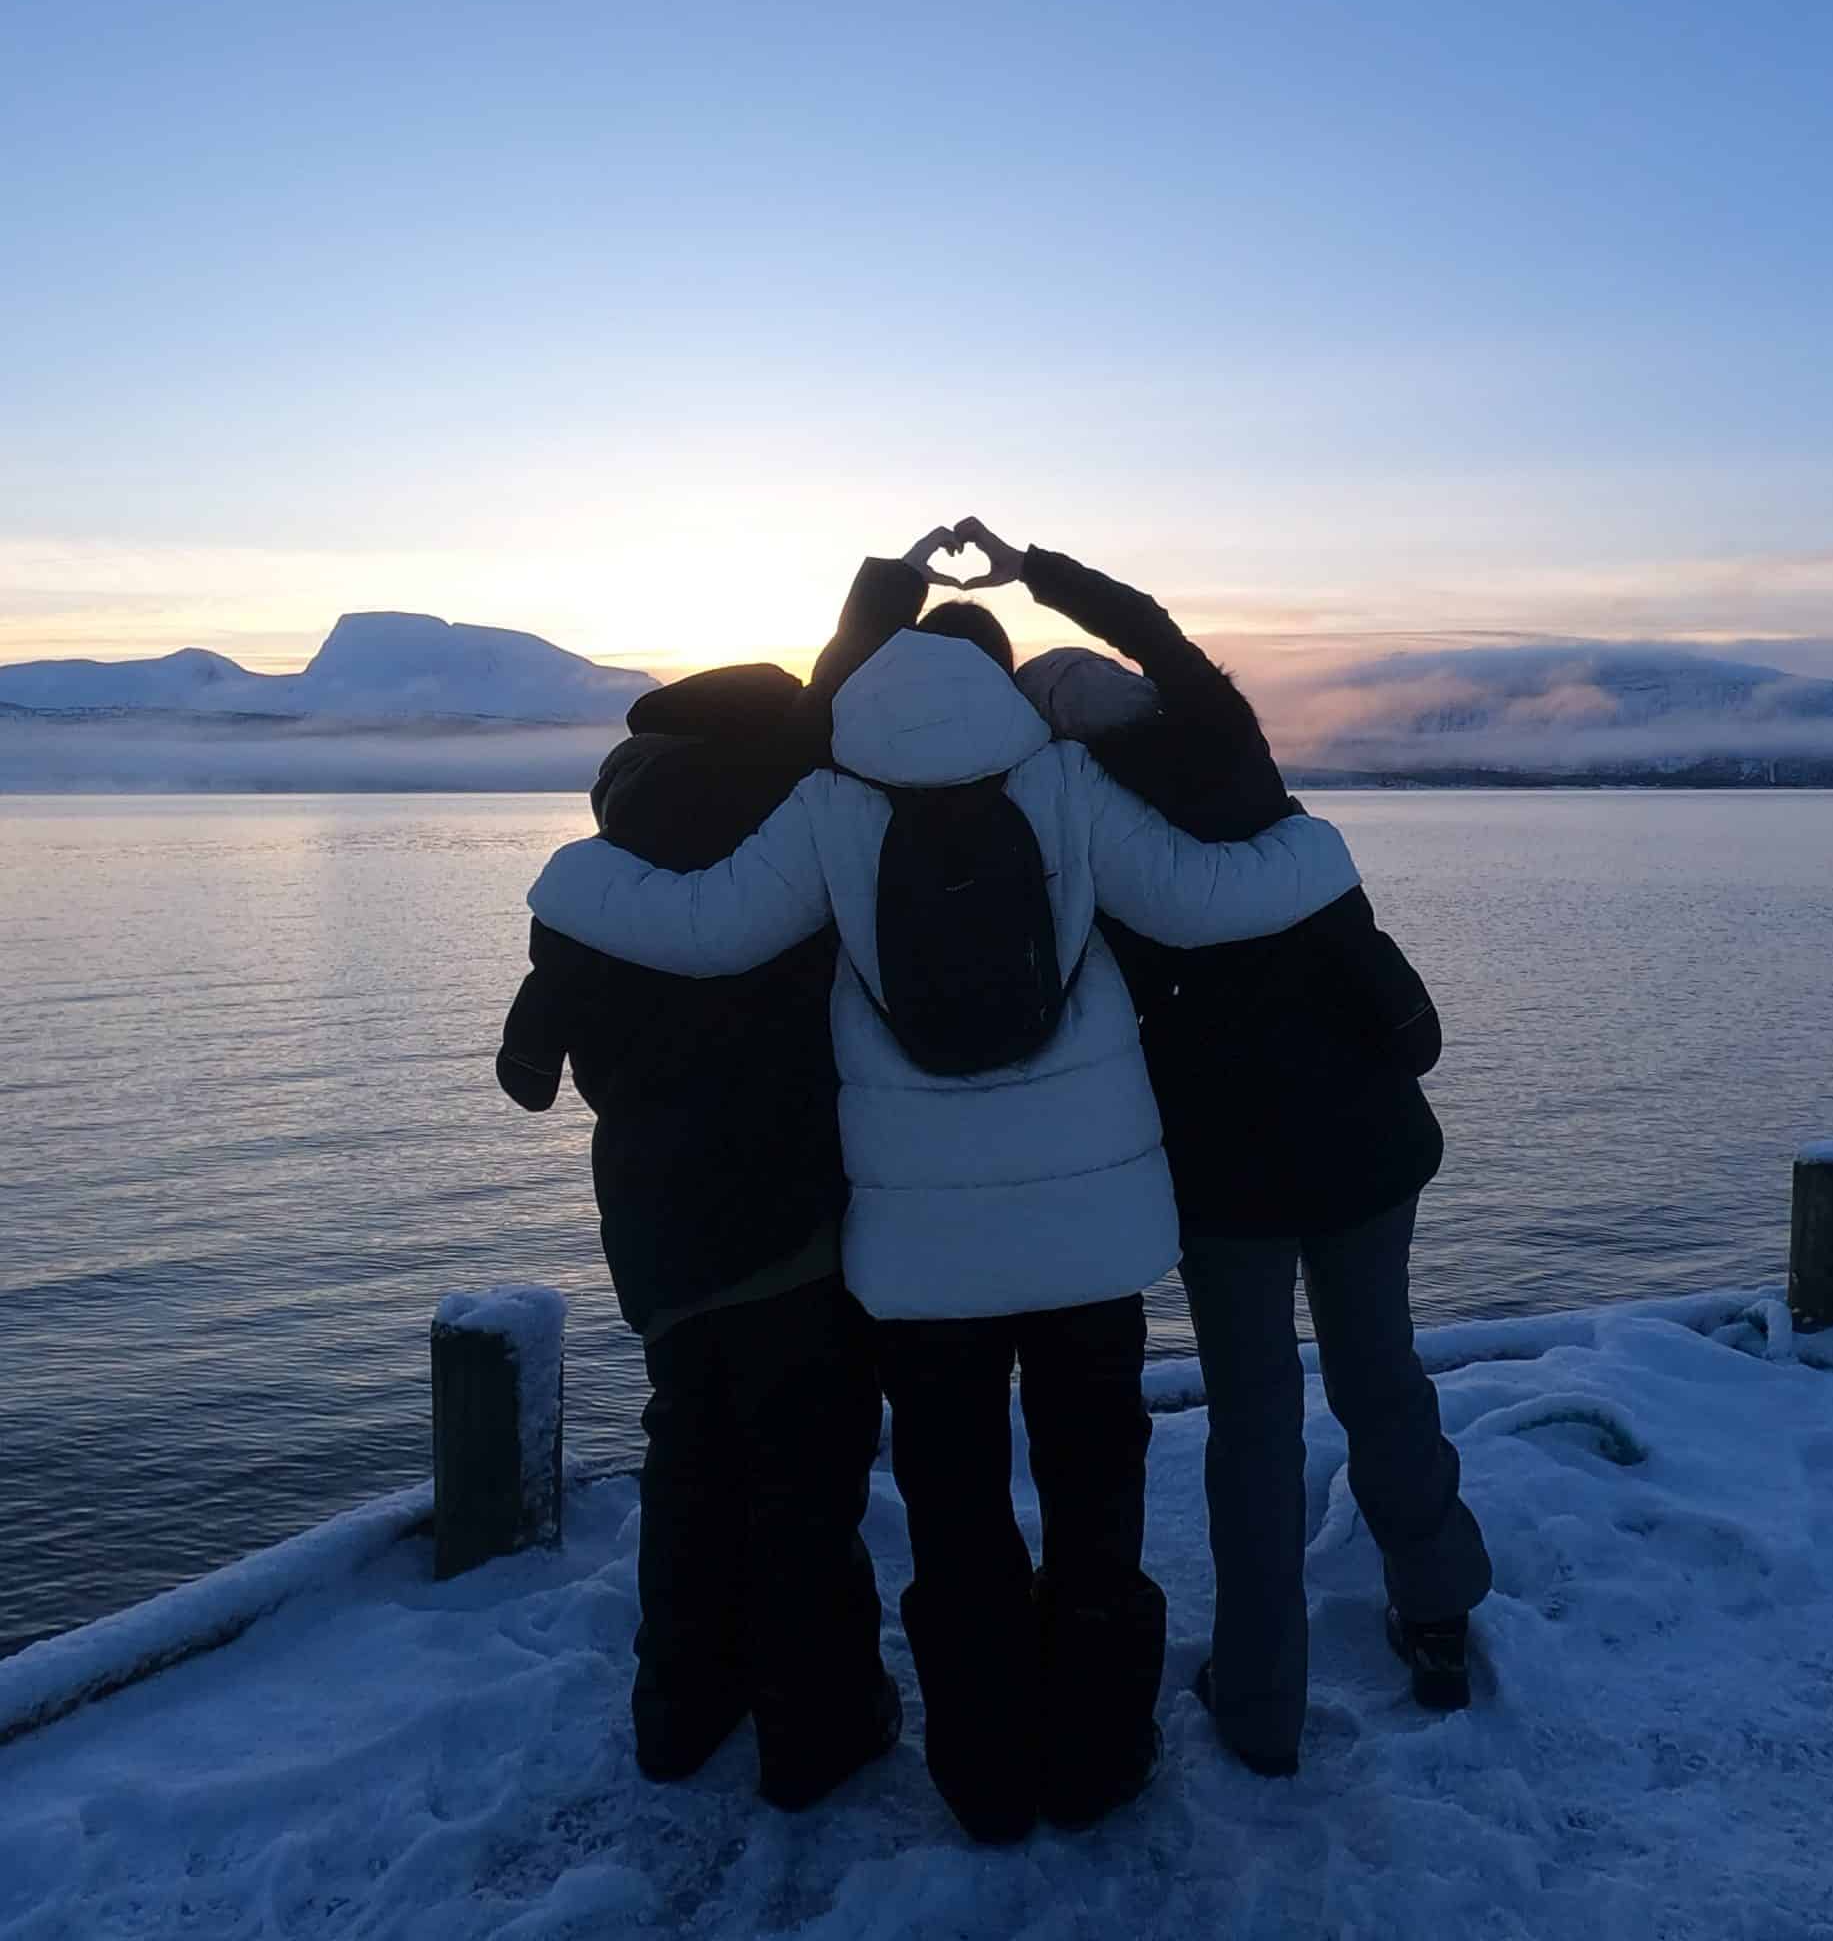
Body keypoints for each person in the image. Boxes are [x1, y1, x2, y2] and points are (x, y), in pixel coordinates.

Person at [524, 555, 1364, 1843]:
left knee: (957, 1514)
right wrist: (1321, 846)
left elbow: (702, 928)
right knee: (1094, 1500)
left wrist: (565, 879)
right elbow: (1207, 902)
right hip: (1091, 1240)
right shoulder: (1064, 781)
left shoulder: (830, 804)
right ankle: (1095, 1754)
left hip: (919, 1253)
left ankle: (982, 1774)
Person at [948, 518, 1491, 1776]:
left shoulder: (1082, 822)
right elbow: (1148, 623)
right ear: (1134, 689)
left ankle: (1259, 1702)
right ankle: (1440, 1612)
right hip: (1364, 1140)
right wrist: (1037, 570)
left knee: (1254, 1424)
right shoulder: (1228, 742)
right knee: (1382, 1377)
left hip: (1226, 1171)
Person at [494, 662, 897, 1814]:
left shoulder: (594, 882)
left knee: (692, 1460)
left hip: (658, 1225)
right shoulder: (793, 850)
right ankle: (816, 1729)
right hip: (792, 1211)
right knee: (804, 1475)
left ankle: (679, 1710)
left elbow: (525, 1072)